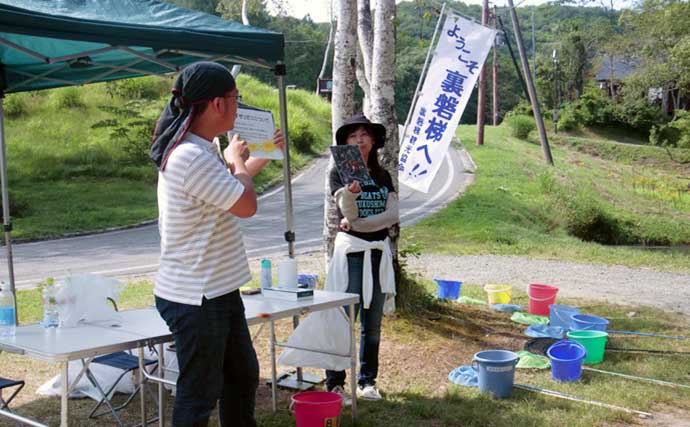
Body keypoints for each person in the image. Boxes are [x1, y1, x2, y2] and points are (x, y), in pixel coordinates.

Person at [149, 61, 283, 427]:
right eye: (236, 100)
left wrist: (257, 156)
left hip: (216, 289)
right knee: (200, 393)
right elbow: (246, 204)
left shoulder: (200, 147)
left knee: (241, 376)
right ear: (217, 104)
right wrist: (238, 161)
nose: (238, 108)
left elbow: (228, 190)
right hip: (196, 295)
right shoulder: (189, 157)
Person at [325, 113, 398, 403]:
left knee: (373, 323)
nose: (359, 140)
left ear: (374, 140)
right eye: (353, 136)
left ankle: (367, 381)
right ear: (344, 143)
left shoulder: (383, 175)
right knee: (342, 319)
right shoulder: (338, 174)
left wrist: (362, 223)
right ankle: (335, 384)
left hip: (379, 252)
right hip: (352, 253)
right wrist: (351, 198)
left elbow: (392, 216)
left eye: (364, 135)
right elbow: (349, 216)